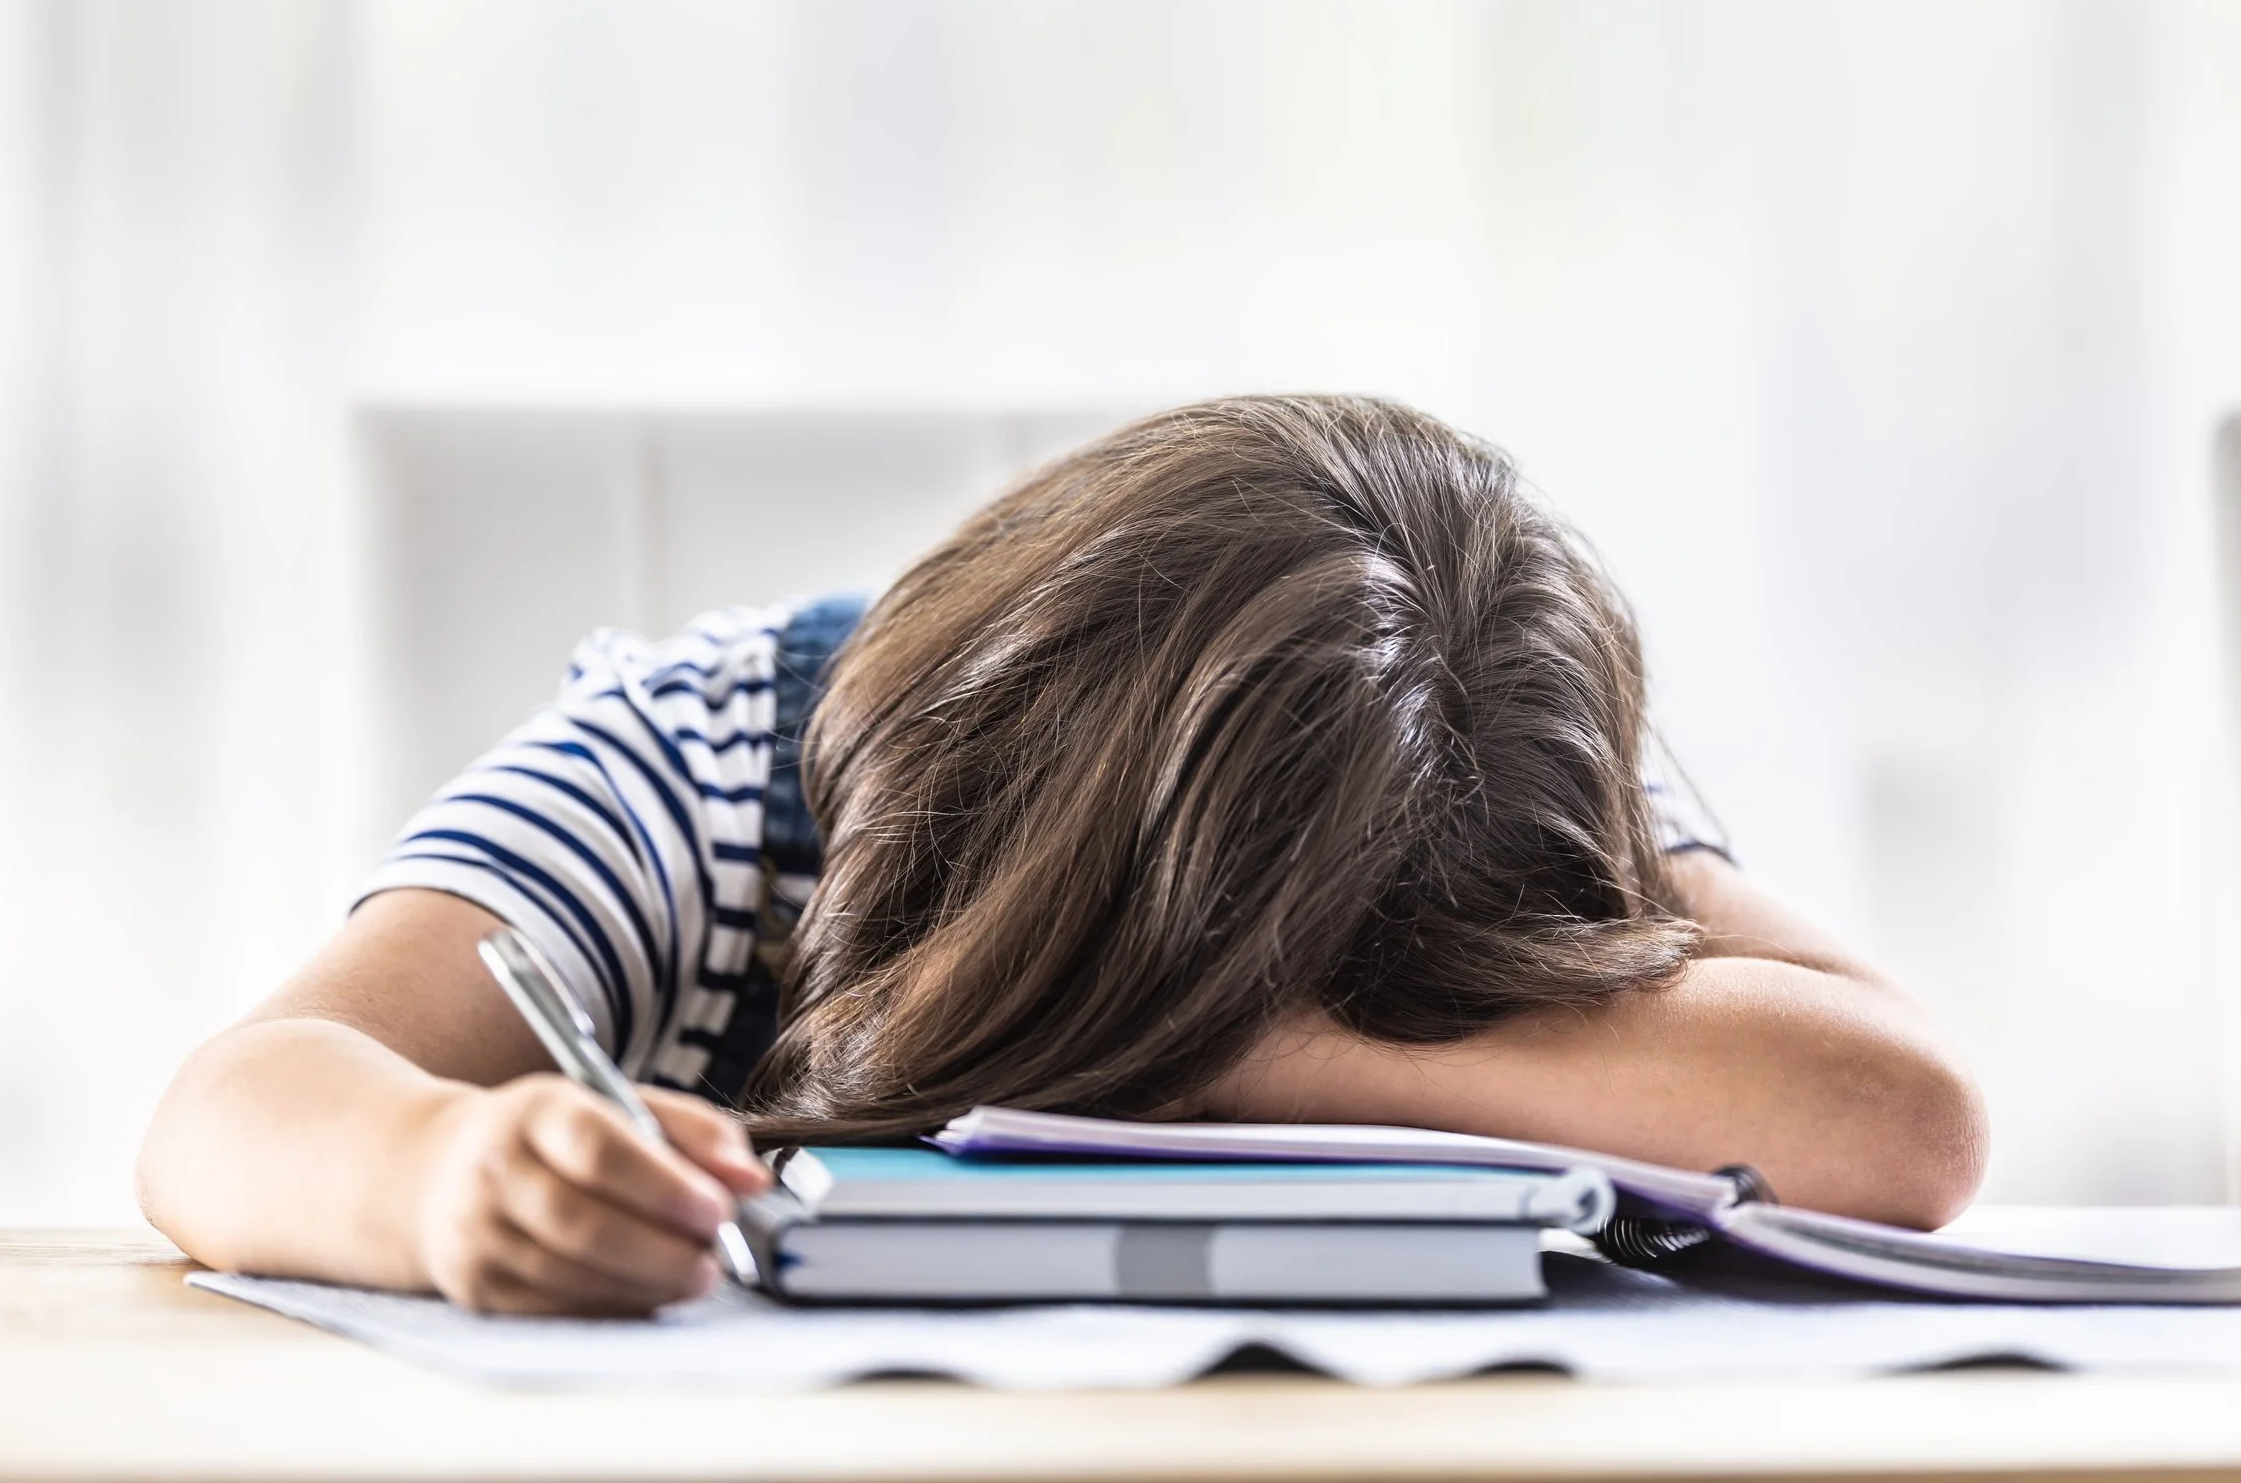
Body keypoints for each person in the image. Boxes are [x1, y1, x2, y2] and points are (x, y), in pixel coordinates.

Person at [137, 396, 1987, 1316]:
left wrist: (1233, 1045)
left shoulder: (1484, 751)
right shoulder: (706, 759)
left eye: (1365, 971)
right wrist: (444, 1167)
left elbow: (1903, 1117)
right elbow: (229, 1107)